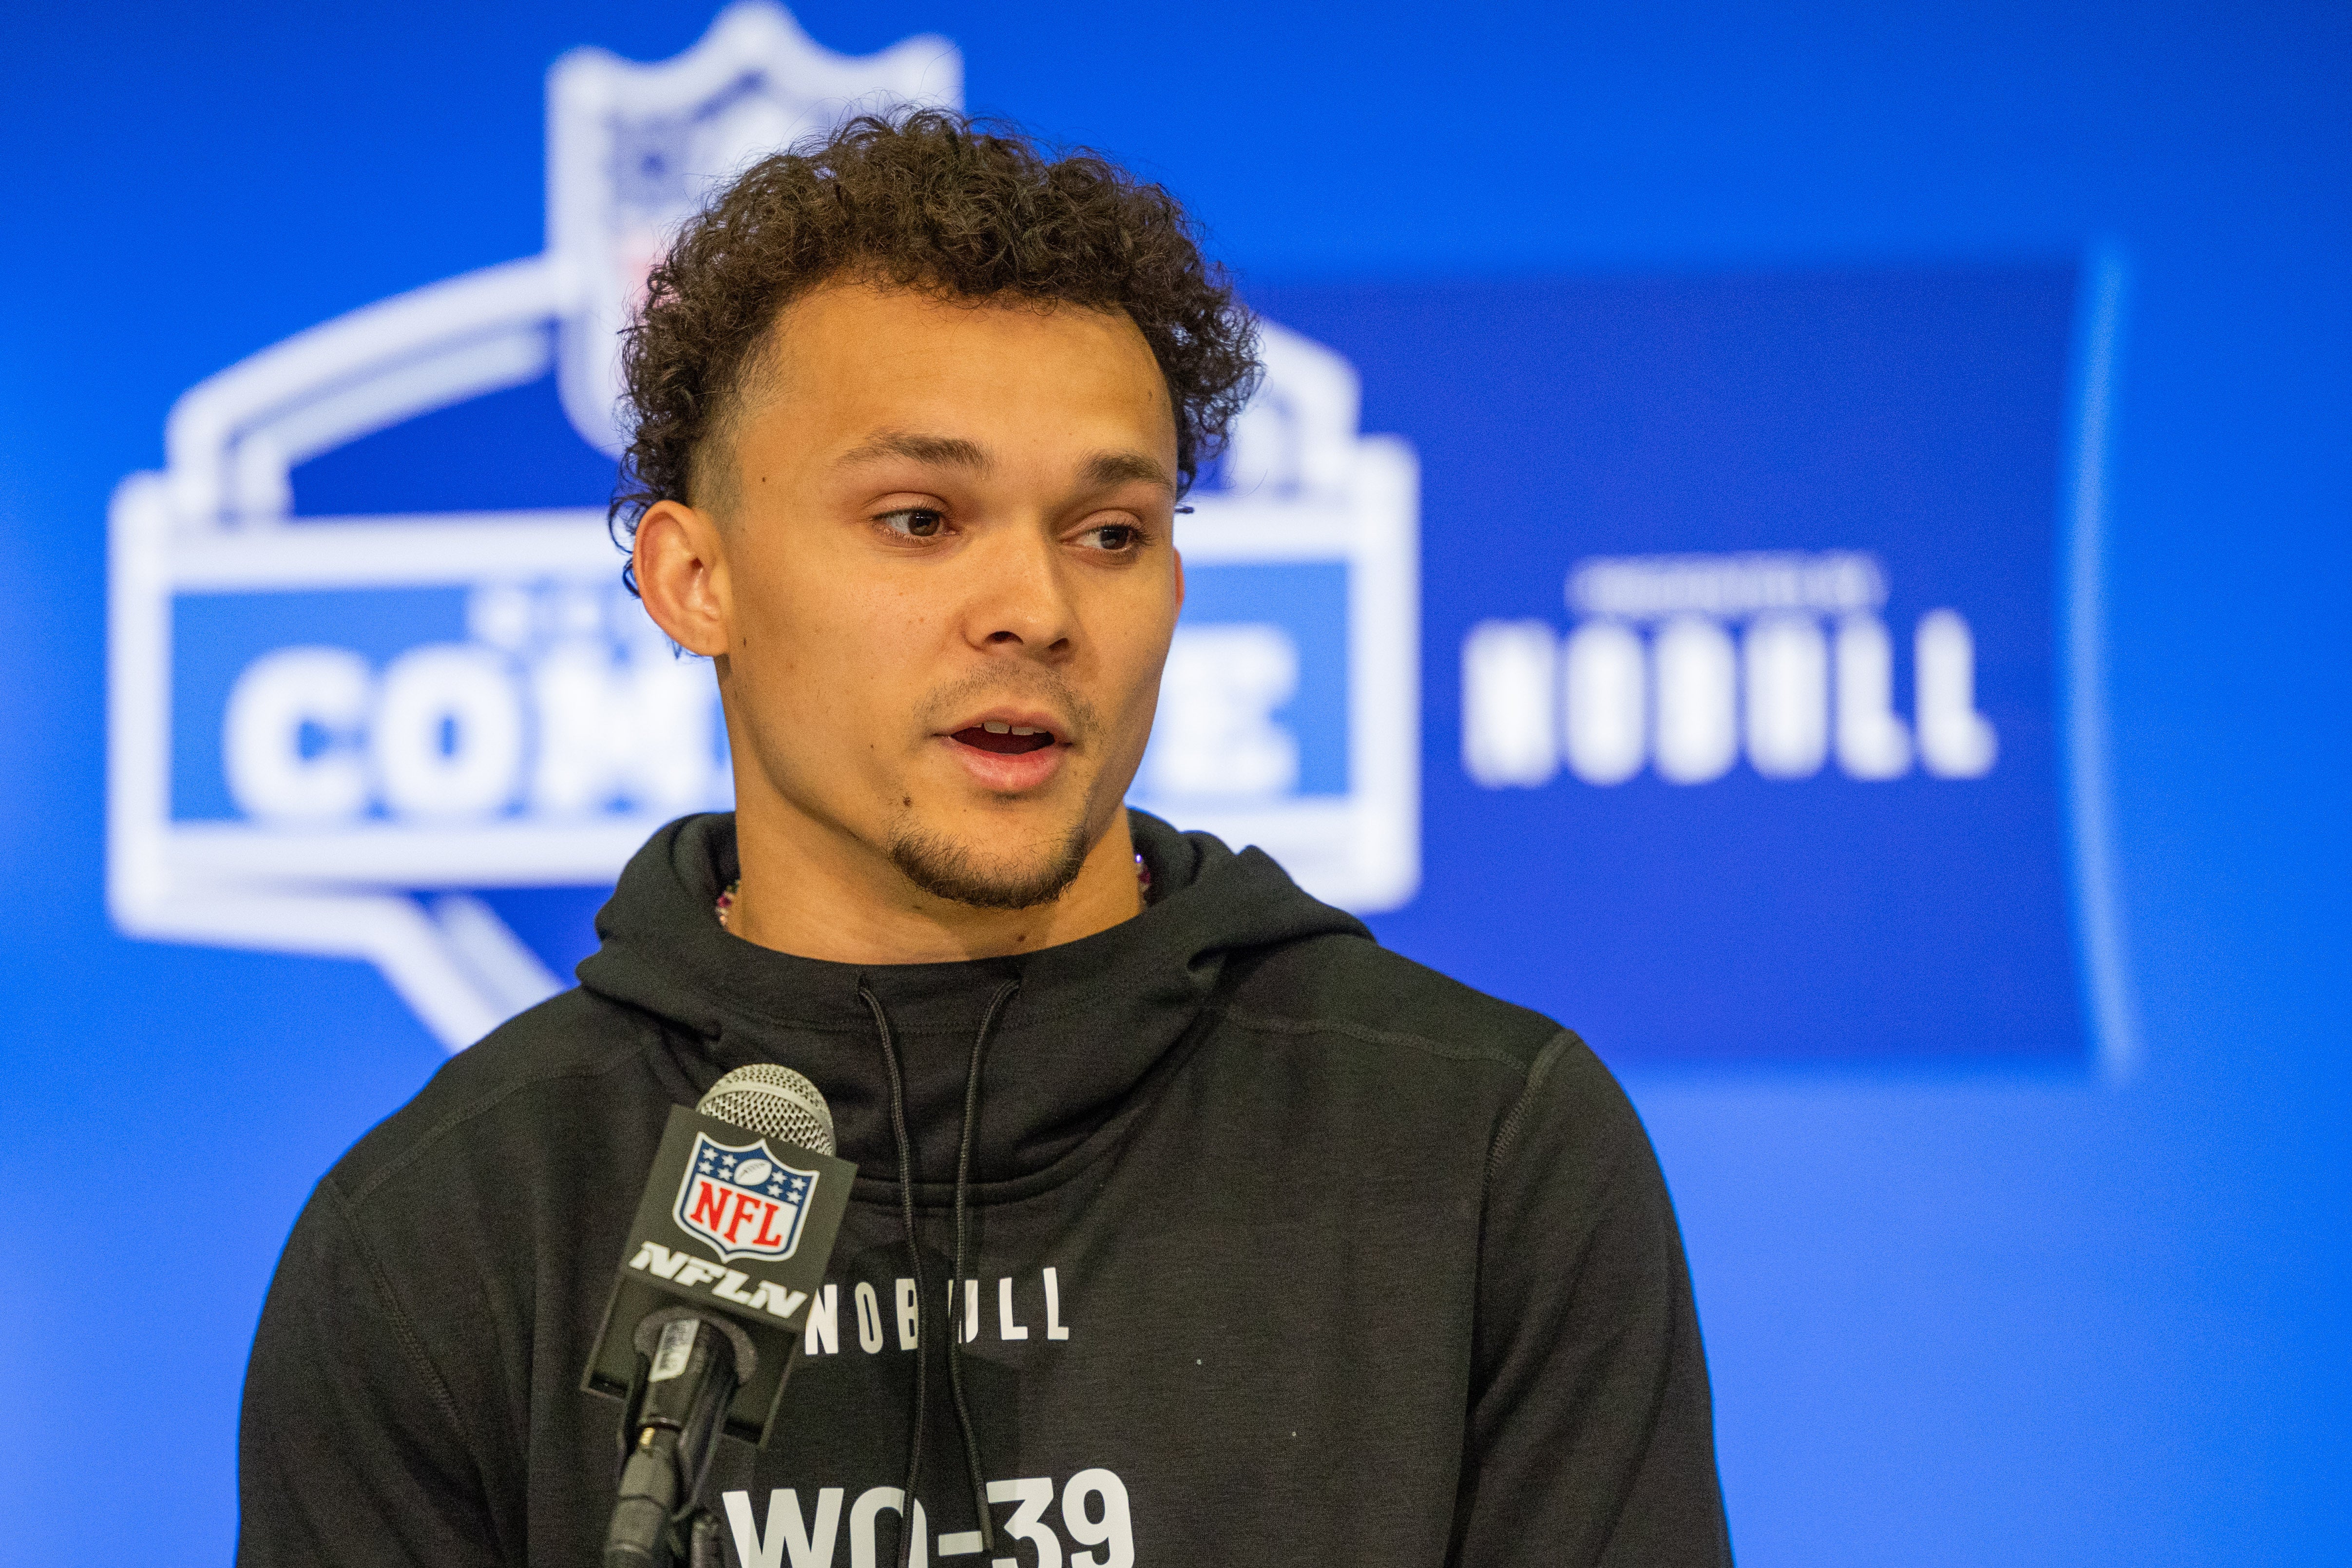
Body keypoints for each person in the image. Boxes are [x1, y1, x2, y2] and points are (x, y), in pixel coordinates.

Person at [237, 111, 1733, 1568]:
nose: (1036, 607)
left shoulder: (1480, 1150)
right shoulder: (451, 1229)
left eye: (1109, 532)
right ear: (693, 577)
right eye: (918, 518)